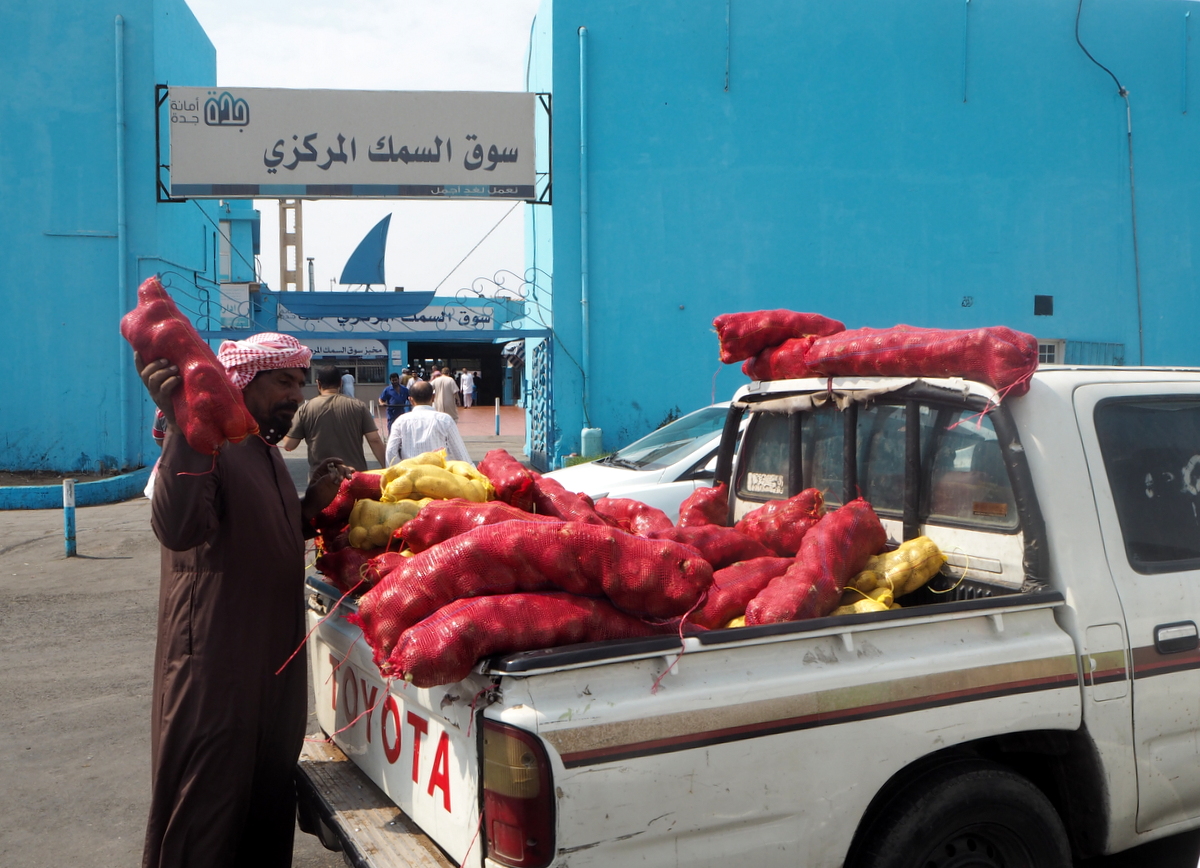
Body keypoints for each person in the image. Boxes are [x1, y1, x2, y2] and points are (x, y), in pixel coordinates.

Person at [136, 332, 350, 868]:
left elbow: (261, 534)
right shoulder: (205, 443)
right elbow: (179, 527)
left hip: (270, 670)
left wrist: (309, 509)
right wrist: (187, 429)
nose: (295, 396)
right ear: (243, 381)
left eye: (299, 384)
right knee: (206, 809)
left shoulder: (262, 449)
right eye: (282, 382)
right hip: (215, 668)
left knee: (264, 803)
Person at [281, 364, 386, 479]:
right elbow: (374, 439)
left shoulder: (306, 409)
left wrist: (284, 423)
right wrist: (386, 468)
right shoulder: (358, 406)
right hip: (354, 478)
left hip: (321, 480)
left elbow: (289, 445)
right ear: (340, 383)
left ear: (318, 383)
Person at [385, 379, 472, 465]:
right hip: (440, 474)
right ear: (433, 397)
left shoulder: (400, 421)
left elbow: (390, 451)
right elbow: (460, 452)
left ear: (411, 400)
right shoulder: (445, 420)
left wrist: (399, 471)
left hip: (410, 475)